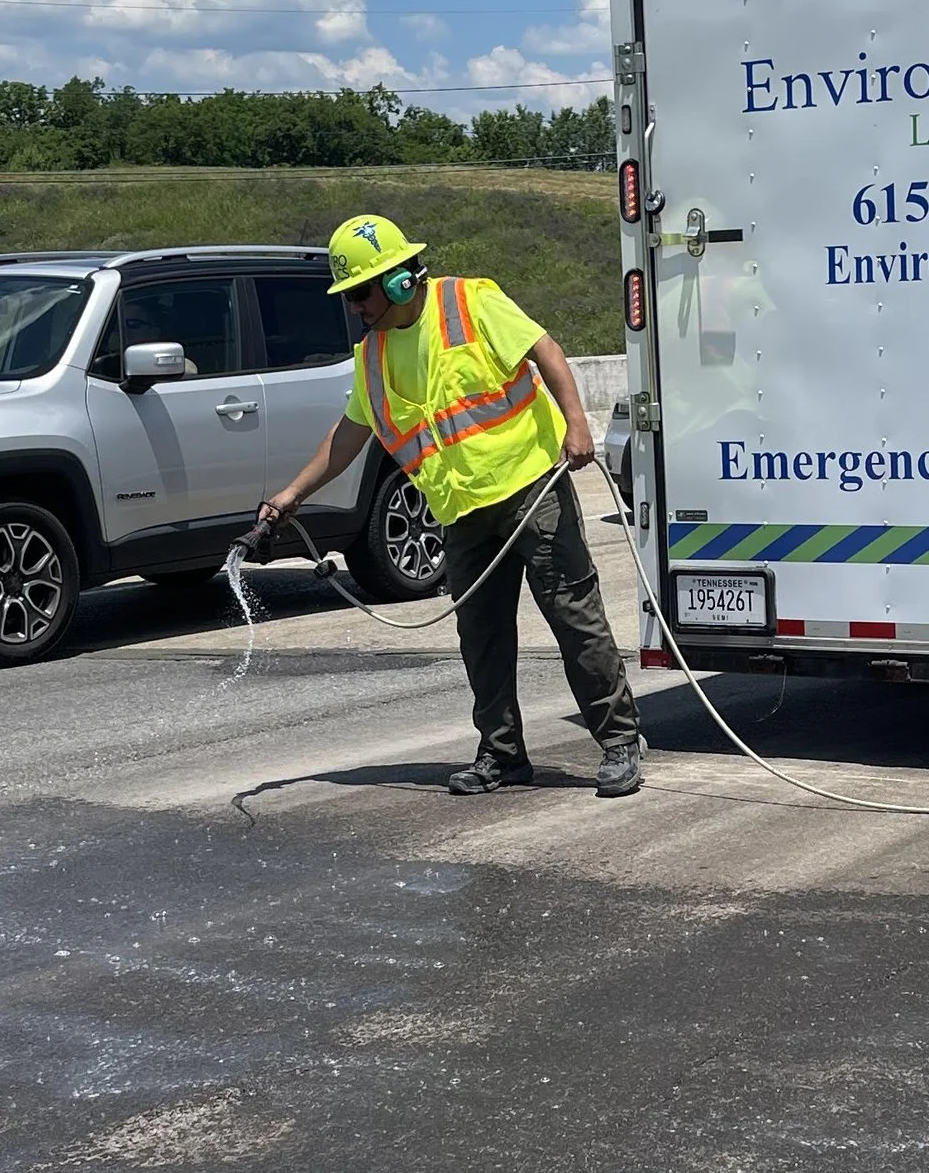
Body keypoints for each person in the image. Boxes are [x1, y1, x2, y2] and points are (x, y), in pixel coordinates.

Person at [256, 213, 645, 799]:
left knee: (574, 619)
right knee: (481, 639)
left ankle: (619, 742)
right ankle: (502, 756)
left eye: (360, 294)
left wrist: (576, 424)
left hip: (531, 489)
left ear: (397, 282)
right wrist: (290, 496)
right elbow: (348, 436)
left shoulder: (468, 302)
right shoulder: (372, 357)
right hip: (461, 511)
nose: (354, 307)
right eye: (349, 296)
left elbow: (544, 350)